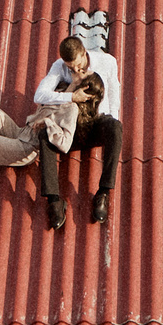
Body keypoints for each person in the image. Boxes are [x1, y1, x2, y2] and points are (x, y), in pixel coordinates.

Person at [33, 33, 123, 229]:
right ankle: (54, 201)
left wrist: (111, 126)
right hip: (70, 128)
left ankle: (104, 193)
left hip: (96, 124)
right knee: (44, 136)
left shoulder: (107, 61)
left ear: (84, 52)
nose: (75, 69)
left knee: (115, 127)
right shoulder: (59, 66)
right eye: (70, 67)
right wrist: (71, 96)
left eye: (78, 65)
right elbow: (39, 95)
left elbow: (115, 95)